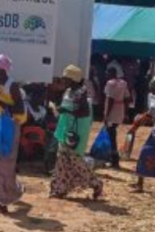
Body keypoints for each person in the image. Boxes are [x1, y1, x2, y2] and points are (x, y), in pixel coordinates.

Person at [49, 65, 104, 200]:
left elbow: (84, 112)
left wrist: (66, 111)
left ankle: (96, 183)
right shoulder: (68, 91)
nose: (63, 80)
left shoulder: (81, 92)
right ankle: (60, 189)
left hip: (76, 131)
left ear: (73, 79)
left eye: (66, 78)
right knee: (62, 159)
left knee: (75, 160)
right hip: (65, 129)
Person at [0, 53, 26, 214]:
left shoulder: (12, 85)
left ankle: (2, 200)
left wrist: (3, 105)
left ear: (0, 69)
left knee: (4, 164)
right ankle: (14, 190)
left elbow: (20, 109)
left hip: (10, 127)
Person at [103, 66, 130, 169]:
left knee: (112, 136)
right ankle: (113, 158)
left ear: (111, 73)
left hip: (112, 112)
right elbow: (127, 98)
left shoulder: (110, 84)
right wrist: (125, 112)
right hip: (120, 111)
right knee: (112, 133)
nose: (106, 74)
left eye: (107, 72)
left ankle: (114, 159)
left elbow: (110, 100)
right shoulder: (123, 83)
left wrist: (106, 115)